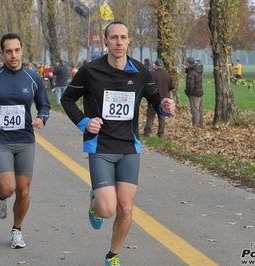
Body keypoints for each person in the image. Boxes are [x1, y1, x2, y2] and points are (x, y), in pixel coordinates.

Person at [61, 21, 175, 266]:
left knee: (125, 208)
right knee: (107, 210)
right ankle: (95, 203)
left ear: (129, 41)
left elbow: (156, 99)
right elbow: (67, 99)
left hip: (128, 148)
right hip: (100, 148)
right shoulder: (90, 71)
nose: (119, 42)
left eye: (123, 37)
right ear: (106, 41)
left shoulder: (141, 73)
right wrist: (84, 122)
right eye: (113, 38)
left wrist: (164, 106)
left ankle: (112, 255)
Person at [0, 33, 50, 249]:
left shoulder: (34, 78)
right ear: (2, 53)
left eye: (17, 50)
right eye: (9, 51)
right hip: (1, 140)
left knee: (23, 191)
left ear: (22, 50)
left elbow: (44, 105)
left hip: (25, 140)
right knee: (8, 188)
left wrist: (42, 118)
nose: (13, 55)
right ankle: (0, 195)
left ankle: (16, 230)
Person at [143, 59, 175, 138]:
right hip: (164, 99)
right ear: (162, 66)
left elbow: (148, 86)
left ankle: (147, 132)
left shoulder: (152, 74)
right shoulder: (167, 75)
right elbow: (172, 86)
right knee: (162, 117)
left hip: (153, 98)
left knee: (150, 116)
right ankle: (161, 133)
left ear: (155, 65)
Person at [184, 57, 204, 127]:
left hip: (194, 93)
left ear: (188, 63)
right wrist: (187, 69)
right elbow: (191, 71)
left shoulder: (191, 73)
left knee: (194, 110)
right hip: (199, 91)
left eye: (186, 62)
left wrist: (187, 92)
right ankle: (200, 123)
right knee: (199, 109)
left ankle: (195, 126)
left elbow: (190, 85)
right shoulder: (197, 70)